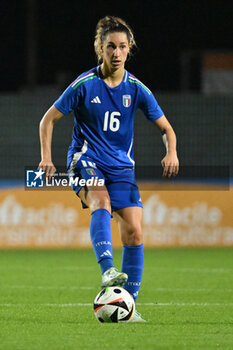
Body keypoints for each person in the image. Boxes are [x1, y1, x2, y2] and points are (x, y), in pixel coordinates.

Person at [38, 15, 179, 322]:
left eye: (123, 47)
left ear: (130, 50)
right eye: (110, 46)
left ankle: (128, 307)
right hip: (85, 161)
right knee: (100, 201)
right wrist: (46, 158)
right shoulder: (84, 85)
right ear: (99, 48)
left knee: (135, 233)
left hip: (122, 170)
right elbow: (47, 119)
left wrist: (172, 152)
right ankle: (107, 271)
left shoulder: (138, 89)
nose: (117, 53)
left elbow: (167, 129)